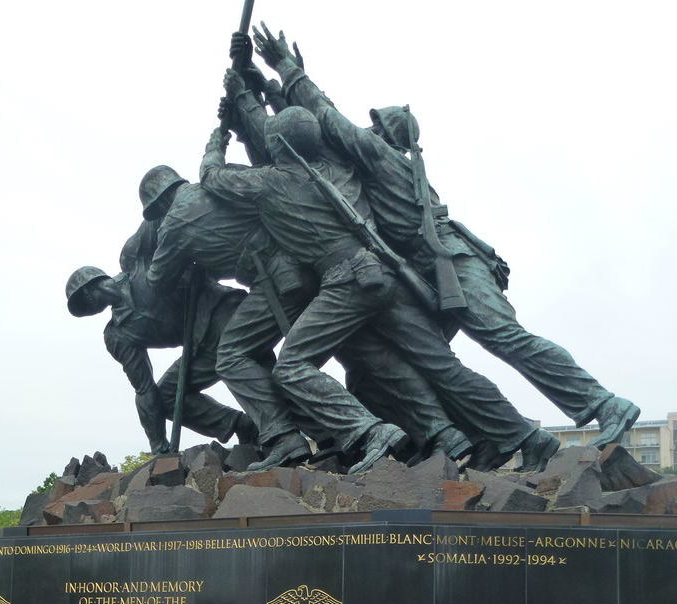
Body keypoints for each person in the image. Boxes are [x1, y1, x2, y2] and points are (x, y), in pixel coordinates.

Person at [252, 24, 640, 455]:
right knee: (429, 367)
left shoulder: (379, 156)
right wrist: (273, 92)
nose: (365, 130)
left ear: (385, 134)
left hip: (451, 260)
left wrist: (286, 68)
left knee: (504, 338)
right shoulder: (375, 164)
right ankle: (500, 439)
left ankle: (602, 403)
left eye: (373, 125)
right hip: (425, 273)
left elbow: (326, 118)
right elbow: (314, 140)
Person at [200, 108, 554, 471]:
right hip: (387, 275)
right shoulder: (342, 169)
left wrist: (216, 143)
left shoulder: (267, 182)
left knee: (291, 366)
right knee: (443, 367)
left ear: (277, 144)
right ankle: (522, 435)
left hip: (346, 281)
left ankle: (370, 432)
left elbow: (211, 177)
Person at [65, 264, 254, 454]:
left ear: (89, 285)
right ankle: (243, 425)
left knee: (235, 359)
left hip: (222, 311)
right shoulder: (117, 335)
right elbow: (144, 389)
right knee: (167, 396)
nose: (86, 308)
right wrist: (159, 445)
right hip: (201, 346)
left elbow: (180, 246)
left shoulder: (139, 263)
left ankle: (270, 422)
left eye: (81, 300)